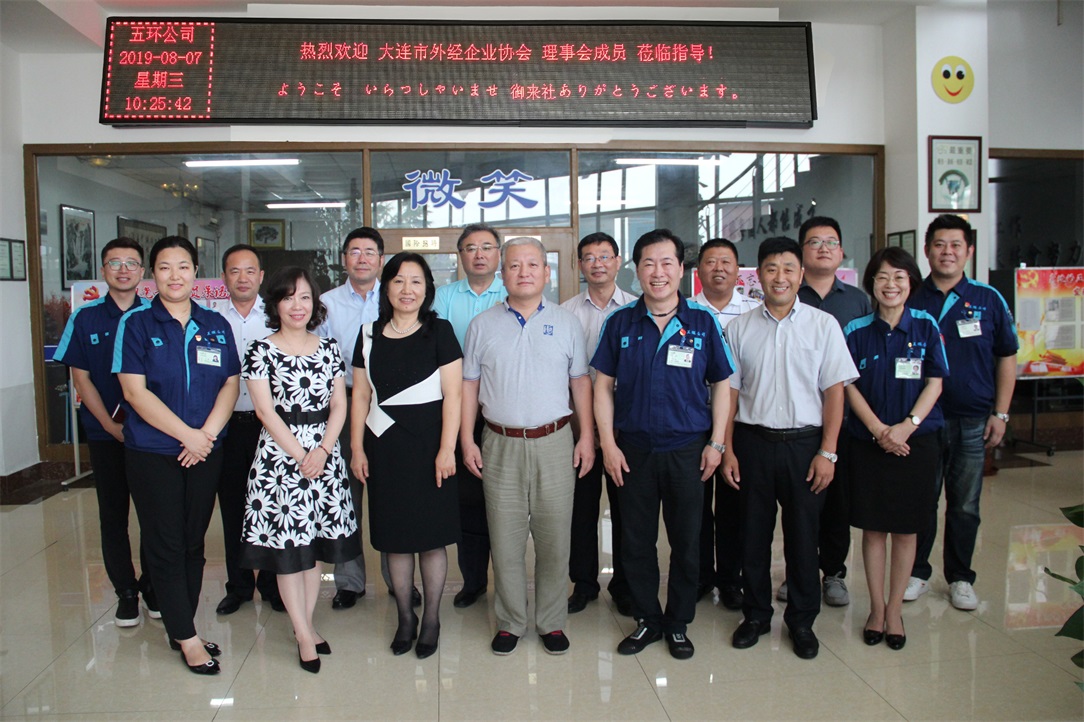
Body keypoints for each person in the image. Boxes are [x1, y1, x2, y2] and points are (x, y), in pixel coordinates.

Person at [592, 229, 734, 661]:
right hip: (632, 450)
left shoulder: (702, 322)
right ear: (636, 270)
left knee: (687, 540)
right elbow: (602, 387)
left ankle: (678, 622)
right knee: (635, 540)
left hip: (687, 450)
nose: (658, 272)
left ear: (681, 269)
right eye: (649, 263)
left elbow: (722, 384)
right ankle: (647, 618)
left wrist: (717, 442)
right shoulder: (620, 323)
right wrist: (608, 444)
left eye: (667, 262)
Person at [722, 236, 858, 660]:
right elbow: (728, 394)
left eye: (787, 269)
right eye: (770, 269)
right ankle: (756, 615)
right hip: (752, 444)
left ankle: (801, 621)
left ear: (800, 275)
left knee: (803, 539)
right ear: (757, 276)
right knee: (752, 536)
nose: (779, 277)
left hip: (806, 446)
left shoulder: (823, 326)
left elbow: (834, 392)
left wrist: (828, 452)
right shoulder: (738, 328)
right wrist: (727, 449)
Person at [461, 237, 594, 656]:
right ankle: (511, 621)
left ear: (547, 272)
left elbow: (580, 383)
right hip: (499, 443)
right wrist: (466, 439)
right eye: (515, 266)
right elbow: (469, 387)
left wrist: (587, 436)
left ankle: (551, 621)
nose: (524, 273)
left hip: (555, 441)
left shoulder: (567, 322)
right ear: (502, 274)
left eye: (533, 265)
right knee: (505, 539)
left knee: (555, 537)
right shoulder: (481, 325)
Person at [114, 236, 240, 675]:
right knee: (165, 543)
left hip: (205, 451)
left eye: (183, 266)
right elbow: (134, 391)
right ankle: (186, 638)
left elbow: (230, 383)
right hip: (153, 452)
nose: (174, 275)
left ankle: (181, 625)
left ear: (195, 272)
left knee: (193, 542)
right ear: (153, 275)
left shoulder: (215, 324)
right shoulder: (136, 324)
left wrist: (205, 436)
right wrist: (187, 435)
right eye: (165, 267)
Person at [239, 266, 360, 674]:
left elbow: (339, 404)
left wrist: (322, 451)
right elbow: (264, 411)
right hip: (280, 461)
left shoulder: (328, 349)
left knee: (315, 549)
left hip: (325, 455)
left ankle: (304, 625)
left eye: (305, 297)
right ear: (275, 303)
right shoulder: (260, 350)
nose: (297, 305)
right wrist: (301, 455)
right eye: (288, 297)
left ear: (315, 304)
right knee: (290, 550)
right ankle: (304, 634)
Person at [351, 253, 463, 659]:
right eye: (398, 281)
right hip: (384, 449)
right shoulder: (368, 334)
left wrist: (447, 449)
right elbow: (360, 396)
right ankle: (404, 617)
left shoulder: (440, 331)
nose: (407, 290)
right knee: (394, 539)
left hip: (430, 449)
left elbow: (454, 395)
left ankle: (431, 619)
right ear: (386, 288)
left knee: (431, 539)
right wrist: (356, 447)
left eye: (416, 281)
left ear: (427, 289)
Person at [905, 214, 1018, 610]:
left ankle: (960, 578)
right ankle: (917, 572)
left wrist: (1001, 413)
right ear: (927, 250)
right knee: (922, 500)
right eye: (939, 244)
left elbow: (1007, 357)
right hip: (922, 422)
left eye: (955, 245)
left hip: (972, 420)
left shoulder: (989, 299)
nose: (947, 252)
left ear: (968, 250)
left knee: (965, 503)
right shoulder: (911, 298)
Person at [843, 247, 949, 651]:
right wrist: (878, 430)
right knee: (873, 529)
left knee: (906, 530)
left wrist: (907, 427)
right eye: (883, 277)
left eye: (899, 277)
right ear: (871, 282)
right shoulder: (856, 330)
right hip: (868, 443)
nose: (891, 285)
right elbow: (847, 383)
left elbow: (935, 382)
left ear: (911, 283)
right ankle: (875, 608)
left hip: (915, 444)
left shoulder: (925, 325)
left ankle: (894, 612)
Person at [54, 237, 157, 627]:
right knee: (113, 516)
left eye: (131, 263)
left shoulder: (156, 315)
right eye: (115, 263)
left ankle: (152, 587)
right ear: (103, 270)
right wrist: (111, 427)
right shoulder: (86, 317)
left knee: (154, 515)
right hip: (105, 434)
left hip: (151, 436)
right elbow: (81, 378)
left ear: (142, 272)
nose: (123, 270)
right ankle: (126, 593)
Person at [776, 216, 873, 608]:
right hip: (796, 423)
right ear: (801, 253)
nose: (823, 248)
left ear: (842, 251)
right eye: (814, 242)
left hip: (844, 421)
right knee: (797, 507)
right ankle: (797, 572)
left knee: (836, 502)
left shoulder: (858, 301)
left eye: (831, 242)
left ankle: (834, 572)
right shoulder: (786, 293)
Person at [318, 227, 400, 610]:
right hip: (343, 403)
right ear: (344, 259)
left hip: (390, 405)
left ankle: (398, 579)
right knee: (346, 496)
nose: (362, 258)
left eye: (370, 252)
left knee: (390, 495)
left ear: (381, 260)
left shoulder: (397, 295)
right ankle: (349, 583)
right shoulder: (326, 303)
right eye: (354, 251)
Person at [560, 232, 637, 616]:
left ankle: (624, 584)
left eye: (605, 256)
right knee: (581, 510)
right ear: (579, 265)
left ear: (618, 261)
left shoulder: (638, 309)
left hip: (627, 426)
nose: (597, 264)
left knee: (628, 511)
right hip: (579, 427)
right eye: (589, 257)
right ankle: (584, 583)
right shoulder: (566, 313)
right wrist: (581, 430)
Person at [433, 223, 507, 609]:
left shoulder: (513, 293)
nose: (479, 254)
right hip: (458, 410)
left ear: (499, 254)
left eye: (487, 247)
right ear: (460, 255)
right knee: (469, 502)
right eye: (470, 248)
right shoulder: (443, 297)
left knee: (507, 501)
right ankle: (474, 581)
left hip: (503, 410)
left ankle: (509, 584)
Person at [691, 238, 761, 612]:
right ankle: (702, 575)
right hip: (694, 421)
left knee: (736, 505)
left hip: (739, 424)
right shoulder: (685, 310)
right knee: (697, 506)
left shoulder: (754, 311)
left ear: (738, 270)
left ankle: (731, 579)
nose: (718, 268)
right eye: (710, 262)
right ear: (698, 270)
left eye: (726, 262)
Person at [215, 244, 283, 616]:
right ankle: (238, 586)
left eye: (250, 271)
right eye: (234, 271)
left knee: (271, 506)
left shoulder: (276, 317)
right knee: (233, 508)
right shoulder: (209, 319)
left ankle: (272, 586)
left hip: (269, 426)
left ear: (261, 276)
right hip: (226, 426)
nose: (242, 278)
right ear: (224, 276)